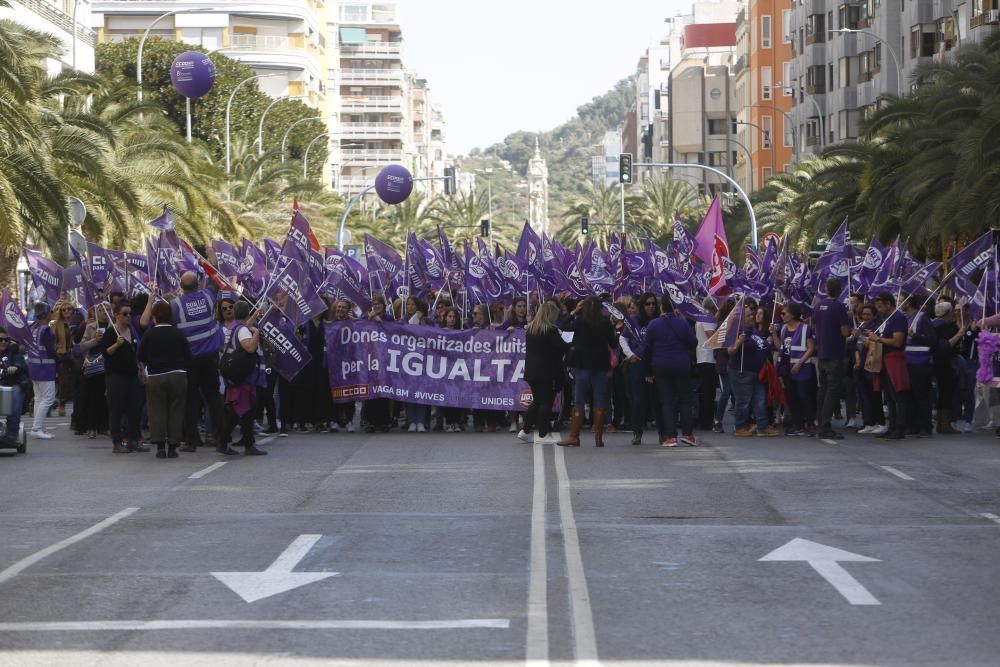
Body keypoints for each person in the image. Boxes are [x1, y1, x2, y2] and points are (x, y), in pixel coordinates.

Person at [152, 271, 225, 453]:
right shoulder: (208, 297)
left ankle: (191, 441)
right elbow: (215, 280)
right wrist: (209, 259)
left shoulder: (175, 305)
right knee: (214, 398)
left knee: (190, 400)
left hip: (189, 359)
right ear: (198, 284)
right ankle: (221, 438)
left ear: (181, 287)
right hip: (210, 356)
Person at [558, 296, 617, 447]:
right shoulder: (605, 323)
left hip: (582, 364)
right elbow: (614, 343)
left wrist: (574, 311)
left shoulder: (579, 322)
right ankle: (598, 438)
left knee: (579, 399)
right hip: (601, 364)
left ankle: (574, 436)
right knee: (599, 400)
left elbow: (563, 325)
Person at [642, 295, 698, 446]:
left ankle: (670, 436)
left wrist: (647, 371)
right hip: (681, 364)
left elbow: (647, 348)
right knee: (685, 399)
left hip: (660, 364)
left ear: (661, 307)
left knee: (667, 401)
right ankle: (687, 433)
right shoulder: (683, 323)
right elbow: (693, 341)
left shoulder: (654, 324)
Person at [137, 301, 191, 459]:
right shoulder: (178, 333)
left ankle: (160, 446)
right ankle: (173, 446)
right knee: (176, 410)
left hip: (156, 376)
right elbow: (188, 356)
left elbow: (141, 356)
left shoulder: (149, 334)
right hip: (177, 374)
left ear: (155, 316)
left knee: (156, 410)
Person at [218, 301, 267, 456]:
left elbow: (244, 325)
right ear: (246, 313)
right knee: (238, 412)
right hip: (243, 378)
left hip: (239, 376)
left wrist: (254, 316)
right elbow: (250, 347)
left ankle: (248, 444)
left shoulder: (237, 327)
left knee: (245, 412)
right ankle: (224, 442)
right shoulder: (243, 331)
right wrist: (257, 332)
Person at [101, 301, 146, 454]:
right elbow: (105, 354)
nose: (128, 317)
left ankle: (134, 439)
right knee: (117, 409)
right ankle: (117, 442)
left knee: (135, 408)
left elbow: (136, 353)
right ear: (116, 315)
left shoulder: (132, 330)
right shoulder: (111, 332)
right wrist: (116, 345)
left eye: (130, 314)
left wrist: (141, 370)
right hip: (116, 376)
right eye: (125, 314)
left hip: (132, 375)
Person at [523, 300, 569, 445]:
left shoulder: (531, 329)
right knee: (546, 402)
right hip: (546, 371)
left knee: (536, 400)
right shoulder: (550, 330)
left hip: (531, 371)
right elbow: (562, 346)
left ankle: (525, 430)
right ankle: (543, 434)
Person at [727, 303, 777, 437]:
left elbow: (764, 346)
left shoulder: (754, 330)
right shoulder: (736, 330)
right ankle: (740, 427)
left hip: (758, 372)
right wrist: (738, 342)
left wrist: (771, 339)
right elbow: (730, 351)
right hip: (741, 372)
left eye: (751, 314)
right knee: (744, 401)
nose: (752, 317)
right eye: (748, 315)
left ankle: (762, 426)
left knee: (760, 399)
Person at [812, 278, 853, 439]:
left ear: (826, 289)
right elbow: (844, 332)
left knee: (823, 389)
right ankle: (825, 426)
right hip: (835, 354)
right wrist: (850, 329)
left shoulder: (818, 306)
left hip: (822, 353)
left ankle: (820, 420)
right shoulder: (839, 307)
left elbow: (814, 327)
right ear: (840, 290)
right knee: (832, 390)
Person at [620, 292, 660, 445]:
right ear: (642, 305)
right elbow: (623, 338)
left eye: (653, 304)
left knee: (657, 398)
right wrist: (630, 355)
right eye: (647, 304)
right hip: (638, 363)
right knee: (638, 399)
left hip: (655, 363)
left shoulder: (658, 320)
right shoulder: (634, 320)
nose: (651, 306)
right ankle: (637, 432)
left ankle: (663, 433)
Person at [867, 292, 908, 440]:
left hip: (894, 359)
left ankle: (900, 427)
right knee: (889, 397)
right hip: (884, 360)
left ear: (888, 304)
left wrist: (878, 339)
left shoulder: (898, 318)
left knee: (897, 395)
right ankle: (892, 427)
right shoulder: (885, 319)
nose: (878, 309)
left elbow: (897, 341)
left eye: (880, 306)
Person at [773, 302, 816, 436]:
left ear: (792, 314)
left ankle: (809, 423)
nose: (782, 315)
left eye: (784, 313)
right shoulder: (784, 328)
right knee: (792, 397)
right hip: (787, 369)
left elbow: (811, 348)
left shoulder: (804, 329)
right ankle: (797, 424)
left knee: (804, 396)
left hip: (802, 369)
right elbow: (781, 347)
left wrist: (800, 363)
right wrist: (774, 333)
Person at [901, 294, 934, 437]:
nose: (900, 303)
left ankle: (925, 426)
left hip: (920, 362)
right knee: (909, 395)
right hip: (906, 361)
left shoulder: (922, 318)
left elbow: (932, 339)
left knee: (920, 395)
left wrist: (915, 336)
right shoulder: (904, 318)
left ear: (909, 302)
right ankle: (912, 425)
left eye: (902, 300)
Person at [78, 305, 111, 438]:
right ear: (96, 312)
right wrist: (95, 340)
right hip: (94, 365)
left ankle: (104, 426)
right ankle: (92, 427)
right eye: (101, 310)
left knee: (106, 397)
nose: (104, 312)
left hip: (109, 364)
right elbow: (83, 345)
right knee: (93, 397)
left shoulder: (113, 326)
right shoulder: (91, 326)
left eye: (107, 310)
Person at [27, 302, 58, 440]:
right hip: (45, 368)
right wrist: (60, 360)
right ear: (46, 314)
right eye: (51, 311)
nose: (53, 313)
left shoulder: (34, 327)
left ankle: (38, 427)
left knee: (39, 398)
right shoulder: (46, 330)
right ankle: (37, 428)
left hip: (34, 367)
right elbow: (51, 350)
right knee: (48, 398)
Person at [854, 304, 886, 435]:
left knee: (874, 395)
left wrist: (859, 337)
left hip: (872, 367)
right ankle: (868, 422)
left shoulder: (876, 328)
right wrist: (857, 360)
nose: (865, 317)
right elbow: (855, 347)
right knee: (863, 396)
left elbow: (873, 344)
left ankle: (879, 422)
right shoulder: (860, 327)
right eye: (864, 314)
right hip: (860, 366)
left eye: (868, 314)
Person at [931, 300, 963, 434]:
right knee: (946, 393)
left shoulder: (933, 324)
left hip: (937, 363)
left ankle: (942, 423)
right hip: (943, 363)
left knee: (943, 393)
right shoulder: (941, 326)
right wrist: (960, 334)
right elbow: (945, 345)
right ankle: (945, 424)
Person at [694, 298, 718, 431]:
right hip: (707, 357)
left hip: (703, 357)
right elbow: (711, 335)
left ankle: (703, 419)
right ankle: (705, 421)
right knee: (708, 392)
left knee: (705, 391)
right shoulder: (707, 318)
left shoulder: (701, 317)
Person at [0, 328, 29, 441]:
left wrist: (15, 367)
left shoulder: (13, 351)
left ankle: (12, 431)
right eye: (0, 339)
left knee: (16, 393)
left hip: (12, 384)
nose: (3, 342)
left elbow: (21, 363)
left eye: (6, 339)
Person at [51, 301, 75, 418]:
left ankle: (57, 401)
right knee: (63, 381)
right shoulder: (57, 323)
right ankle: (61, 404)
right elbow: (52, 340)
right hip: (61, 354)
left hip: (74, 355)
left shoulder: (77, 322)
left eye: (69, 309)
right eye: (64, 310)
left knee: (72, 380)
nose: (66, 311)